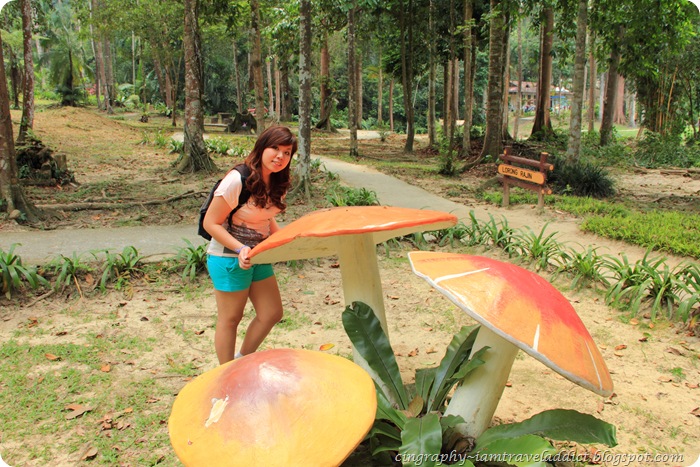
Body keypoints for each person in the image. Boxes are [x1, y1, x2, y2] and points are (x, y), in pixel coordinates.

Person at [202, 125, 297, 364]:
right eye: (275, 148)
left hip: (258, 256)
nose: (280, 156)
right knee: (230, 319)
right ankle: (226, 374)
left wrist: (283, 238)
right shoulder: (237, 179)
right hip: (229, 258)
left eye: (287, 152)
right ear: (262, 147)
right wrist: (240, 248)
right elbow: (210, 223)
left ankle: (241, 359)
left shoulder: (277, 181)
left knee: (271, 312)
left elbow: (264, 215)